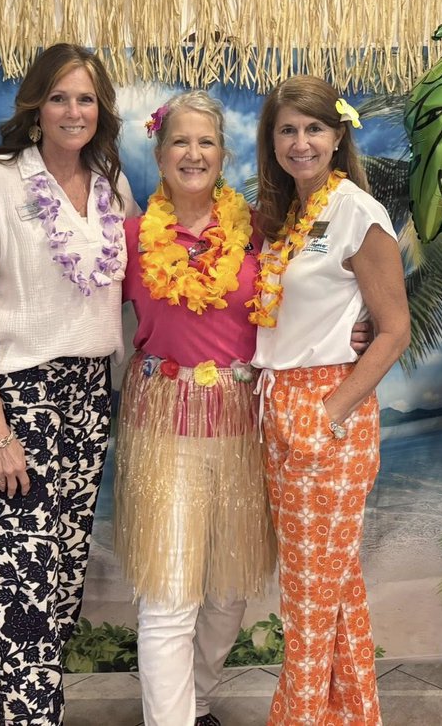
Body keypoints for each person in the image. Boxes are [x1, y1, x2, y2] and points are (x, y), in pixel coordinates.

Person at [0, 43, 138, 726]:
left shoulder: (113, 186)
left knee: (57, 582)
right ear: (35, 107)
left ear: (101, 111)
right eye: (59, 97)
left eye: (86, 98)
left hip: (90, 390)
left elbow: (145, 291)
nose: (73, 110)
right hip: (18, 393)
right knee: (23, 578)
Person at [249, 75, 411, 726]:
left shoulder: (357, 212)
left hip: (326, 413)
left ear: (338, 135)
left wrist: (330, 411)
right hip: (277, 405)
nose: (300, 142)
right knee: (331, 591)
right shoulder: (283, 212)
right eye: (286, 130)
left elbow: (394, 329)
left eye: (313, 128)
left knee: (310, 601)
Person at [114, 91, 275, 726]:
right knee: (169, 593)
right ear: (158, 153)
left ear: (223, 153)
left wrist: (357, 332)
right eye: (180, 141)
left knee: (231, 590)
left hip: (241, 424)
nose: (193, 153)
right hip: (162, 427)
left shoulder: (259, 230)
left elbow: (314, 298)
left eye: (205, 142)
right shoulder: (129, 238)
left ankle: (196, 699)